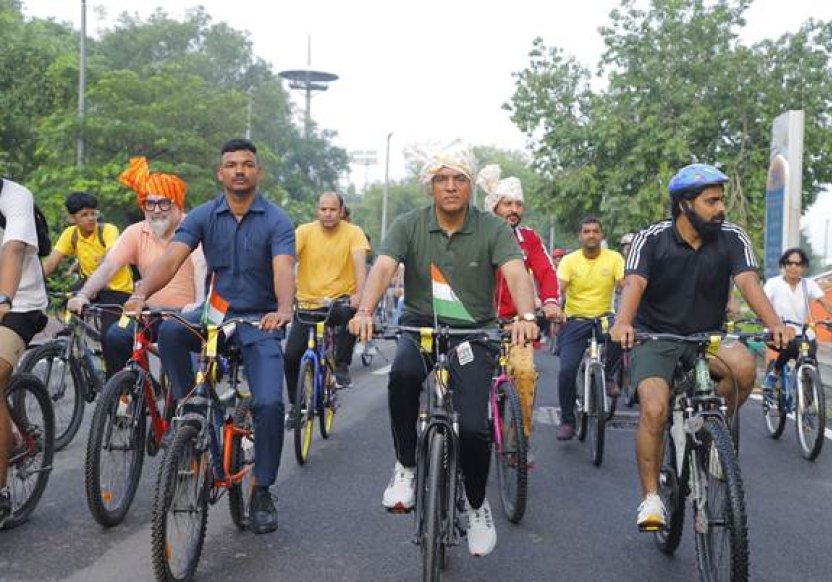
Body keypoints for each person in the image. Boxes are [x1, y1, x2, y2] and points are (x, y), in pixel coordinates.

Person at [349, 140, 538, 557]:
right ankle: (406, 466)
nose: (450, 187)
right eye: (442, 179)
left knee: (473, 426)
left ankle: (475, 506)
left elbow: (515, 270)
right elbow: (383, 267)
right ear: (430, 186)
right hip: (421, 328)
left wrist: (525, 316)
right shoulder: (408, 224)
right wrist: (365, 309)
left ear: (470, 186)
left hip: (475, 336)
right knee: (401, 376)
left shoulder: (491, 228)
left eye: (459, 179)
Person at [124, 138, 295, 535]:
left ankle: (264, 489)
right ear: (220, 173)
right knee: (170, 333)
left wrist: (283, 309)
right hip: (213, 316)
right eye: (231, 164)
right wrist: (140, 293)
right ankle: (190, 408)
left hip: (257, 322)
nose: (239, 170)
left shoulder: (276, 220)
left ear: (258, 172)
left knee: (269, 403)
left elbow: (283, 267)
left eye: (247, 164)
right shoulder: (202, 216)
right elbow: (171, 259)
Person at [609, 163, 791, 531]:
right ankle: (651, 499)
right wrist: (623, 322)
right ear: (685, 205)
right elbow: (634, 284)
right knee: (655, 409)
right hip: (656, 336)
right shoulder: (652, 238)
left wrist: (775, 324)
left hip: (706, 336)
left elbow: (747, 282)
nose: (721, 208)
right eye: (712, 201)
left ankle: (709, 431)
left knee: (742, 368)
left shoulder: (732, 237)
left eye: (721, 200)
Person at [67, 157, 206, 376]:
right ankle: (135, 390)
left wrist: (198, 304)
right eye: (149, 203)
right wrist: (83, 294)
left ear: (177, 204)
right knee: (116, 335)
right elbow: (108, 266)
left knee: (190, 380)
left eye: (164, 203)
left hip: (187, 319)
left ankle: (190, 404)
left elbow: (201, 266)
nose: (156, 210)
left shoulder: (192, 227)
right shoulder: (136, 232)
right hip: (150, 315)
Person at [477, 164, 561, 464]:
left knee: (524, 375)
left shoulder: (530, 239)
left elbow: (547, 273)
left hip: (518, 326)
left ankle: (519, 442)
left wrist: (550, 301)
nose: (514, 209)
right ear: (493, 206)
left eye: (517, 204)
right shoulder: (476, 234)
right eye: (507, 203)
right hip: (477, 325)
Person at [284, 191, 369, 403]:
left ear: (341, 211)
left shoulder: (353, 232)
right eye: (323, 209)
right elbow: (286, 260)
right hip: (308, 304)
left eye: (333, 209)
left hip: (340, 301)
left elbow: (360, 264)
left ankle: (341, 365)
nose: (328, 214)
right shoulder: (304, 231)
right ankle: (296, 405)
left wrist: (359, 295)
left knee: (351, 316)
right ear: (317, 210)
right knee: (291, 355)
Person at [0, 178, 48, 523]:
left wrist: (4, 299)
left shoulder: (15, 196)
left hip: (20, 305)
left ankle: (0, 492)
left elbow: (14, 250)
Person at [555, 216, 625, 440]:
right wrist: (554, 309)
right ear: (580, 236)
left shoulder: (614, 258)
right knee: (567, 370)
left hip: (605, 317)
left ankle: (609, 376)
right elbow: (559, 290)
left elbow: (625, 286)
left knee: (620, 331)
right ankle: (567, 420)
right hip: (576, 319)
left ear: (602, 235)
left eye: (596, 231)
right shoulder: (569, 260)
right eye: (587, 231)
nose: (591, 235)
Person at [42, 191, 134, 351]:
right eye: (84, 215)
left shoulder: (107, 230)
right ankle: (76, 346)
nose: (91, 218)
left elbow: (110, 260)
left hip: (117, 289)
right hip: (89, 285)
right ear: (72, 219)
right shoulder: (70, 234)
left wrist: (92, 288)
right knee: (67, 298)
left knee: (110, 337)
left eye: (93, 213)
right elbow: (51, 263)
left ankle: (113, 373)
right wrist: (30, 285)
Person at [762, 247, 832, 385]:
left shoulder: (809, 284)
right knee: (792, 345)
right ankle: (775, 372)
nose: (794, 267)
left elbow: (826, 303)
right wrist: (768, 322)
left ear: (804, 267)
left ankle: (810, 392)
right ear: (784, 265)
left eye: (798, 264)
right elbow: (762, 303)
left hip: (803, 333)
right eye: (789, 263)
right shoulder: (773, 283)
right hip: (777, 332)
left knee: (810, 357)